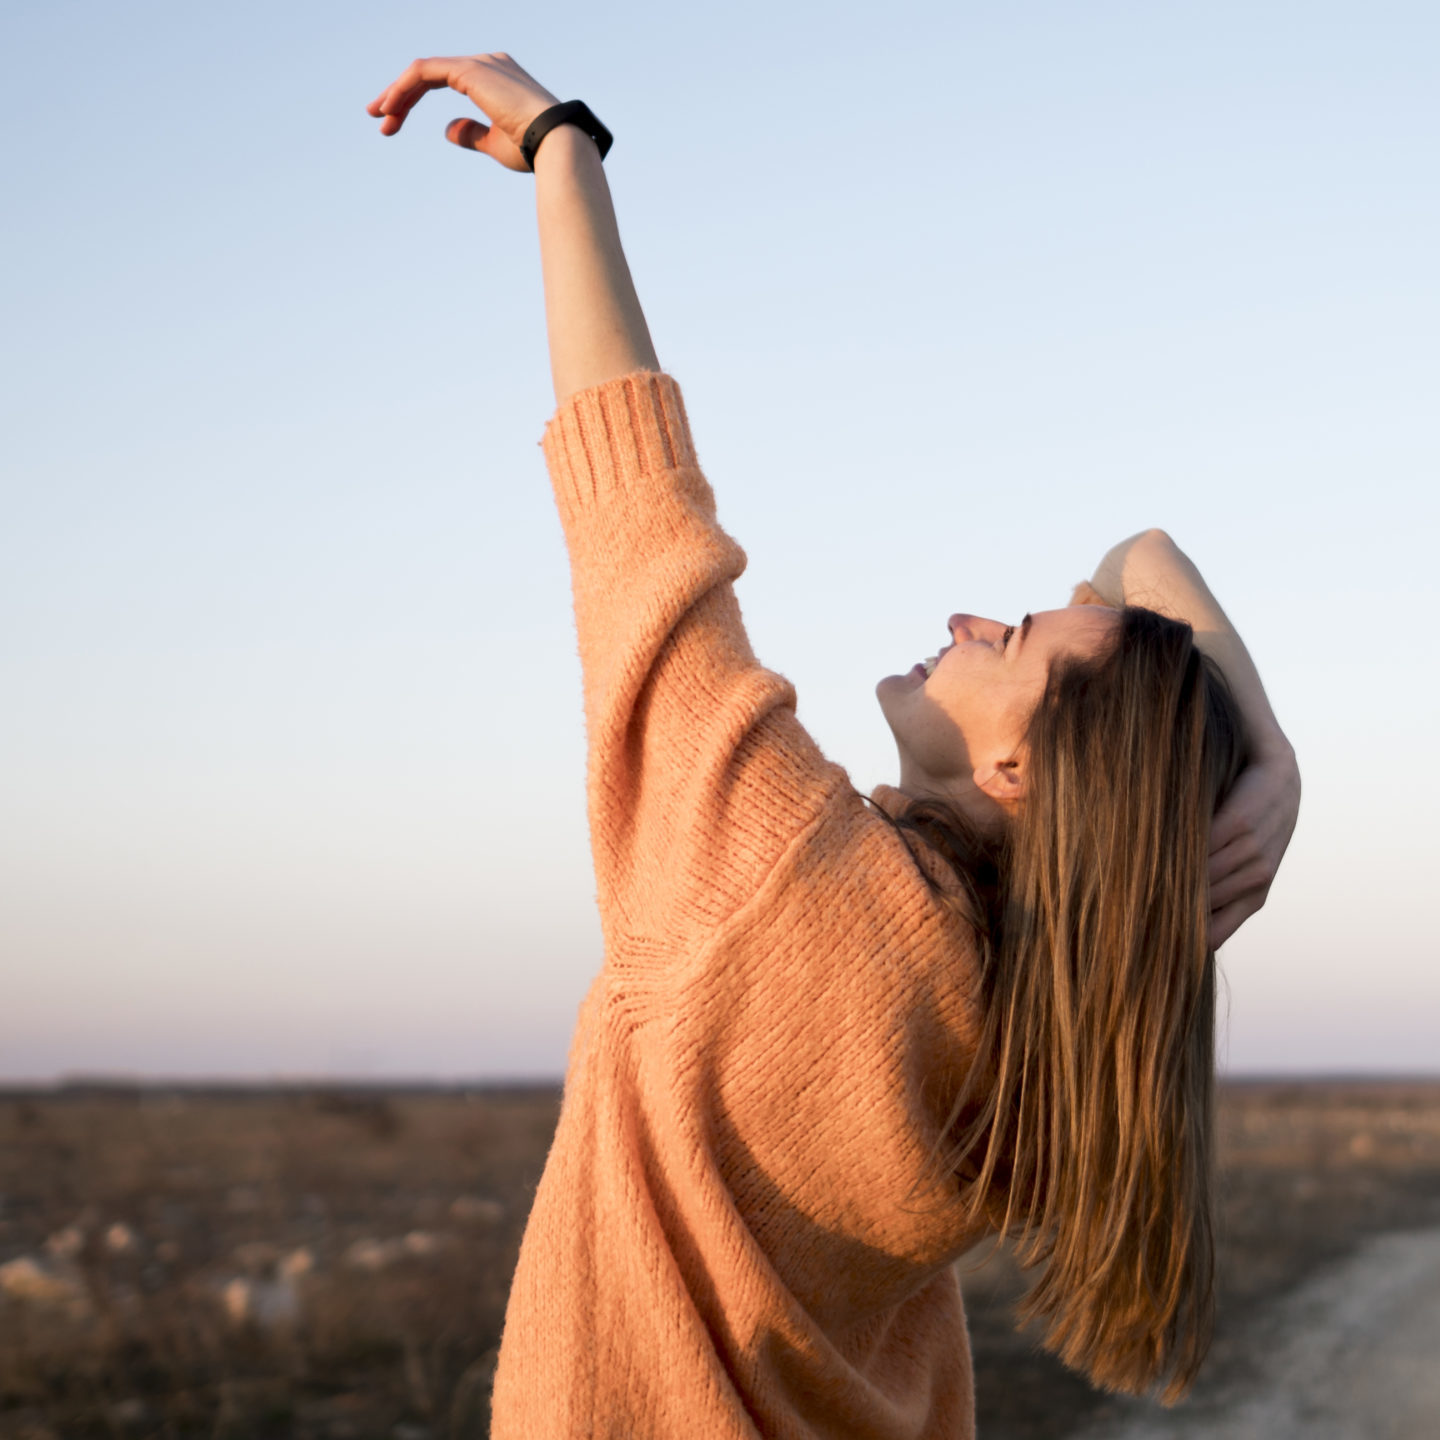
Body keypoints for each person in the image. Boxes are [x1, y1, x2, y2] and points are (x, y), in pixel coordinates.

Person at [366, 53, 1301, 1440]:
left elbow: (638, 510)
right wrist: (1262, 750)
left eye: (1015, 638)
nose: (968, 617)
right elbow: (1140, 561)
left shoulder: (792, 874)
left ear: (1022, 774)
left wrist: (564, 147)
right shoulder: (1062, 1009)